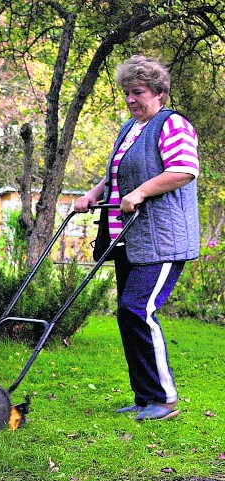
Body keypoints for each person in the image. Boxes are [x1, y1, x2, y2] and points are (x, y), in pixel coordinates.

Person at [74, 54, 199, 421]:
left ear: (158, 92)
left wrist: (141, 191)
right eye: (126, 92)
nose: (130, 99)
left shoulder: (172, 125)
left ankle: (164, 399)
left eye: (138, 92)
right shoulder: (130, 128)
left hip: (162, 239)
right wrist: (93, 194)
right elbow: (116, 174)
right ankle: (145, 398)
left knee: (138, 309)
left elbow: (183, 170)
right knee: (128, 314)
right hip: (127, 238)